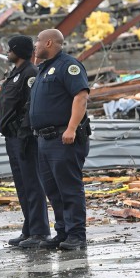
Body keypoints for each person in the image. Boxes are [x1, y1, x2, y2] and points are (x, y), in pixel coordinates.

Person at [28, 29, 91, 250]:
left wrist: (72, 128)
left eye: (37, 41)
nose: (34, 46)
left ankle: (76, 236)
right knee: (53, 190)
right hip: (45, 140)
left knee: (69, 188)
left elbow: (81, 97)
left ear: (48, 42)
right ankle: (62, 232)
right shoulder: (43, 69)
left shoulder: (68, 66)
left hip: (64, 138)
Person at [0, 35, 50, 248]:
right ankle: (29, 228)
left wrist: (25, 132)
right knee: (22, 185)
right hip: (13, 137)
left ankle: (39, 231)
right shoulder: (15, 73)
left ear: (18, 51)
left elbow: (31, 105)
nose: (7, 52)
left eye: (10, 49)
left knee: (32, 184)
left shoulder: (30, 73)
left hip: (24, 138)